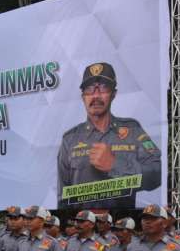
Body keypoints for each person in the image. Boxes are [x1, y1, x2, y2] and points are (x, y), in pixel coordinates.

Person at [57, 62, 161, 209]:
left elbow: (157, 174)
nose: (96, 95)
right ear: (83, 97)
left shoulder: (132, 130)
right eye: (89, 89)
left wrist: (114, 165)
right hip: (82, 222)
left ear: (113, 94)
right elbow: (63, 199)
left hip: (122, 222)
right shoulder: (69, 139)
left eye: (103, 87)